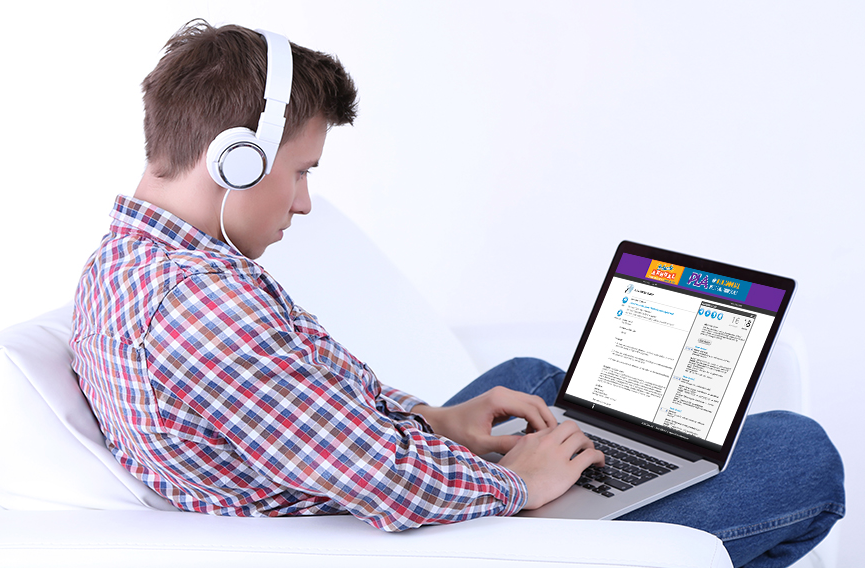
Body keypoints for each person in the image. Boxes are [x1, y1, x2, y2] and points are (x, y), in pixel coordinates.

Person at [71, 20, 844, 567]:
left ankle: (612, 482)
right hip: (388, 536)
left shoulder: (131, 257)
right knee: (799, 451)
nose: (304, 201)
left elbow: (298, 411)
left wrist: (439, 421)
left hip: (328, 487)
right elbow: (382, 478)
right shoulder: (200, 307)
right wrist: (516, 484)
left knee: (534, 384)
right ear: (235, 159)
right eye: (302, 170)